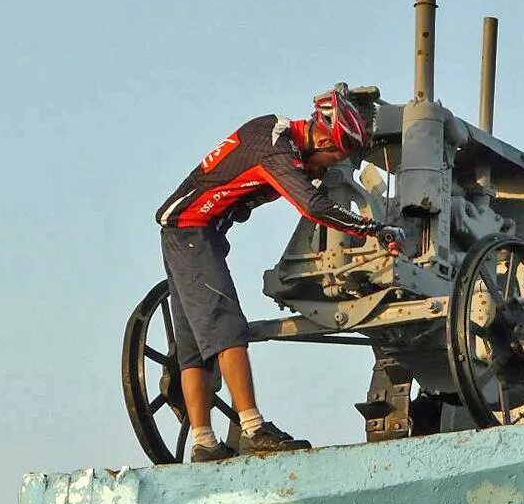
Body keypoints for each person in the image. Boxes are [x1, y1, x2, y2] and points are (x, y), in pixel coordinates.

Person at [155, 85, 406, 462]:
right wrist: (374, 230)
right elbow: (313, 206)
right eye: (334, 157)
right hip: (193, 231)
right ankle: (254, 427)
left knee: (193, 348)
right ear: (322, 137)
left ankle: (204, 442)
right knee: (226, 329)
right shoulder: (276, 152)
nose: (327, 166)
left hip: (186, 232)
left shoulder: (274, 132)